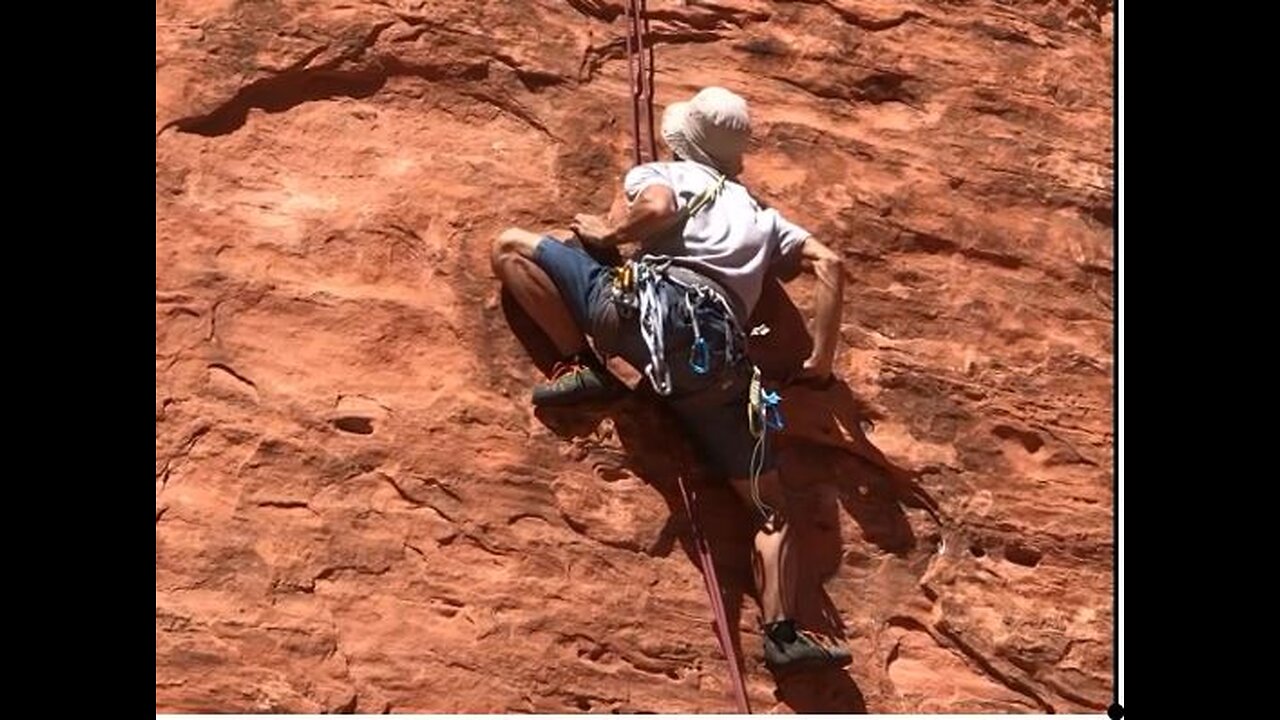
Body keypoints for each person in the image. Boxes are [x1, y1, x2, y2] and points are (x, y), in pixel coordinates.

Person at [490, 86, 850, 671]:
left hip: (644, 318)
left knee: (511, 246)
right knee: (770, 508)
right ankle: (783, 635)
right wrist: (821, 364)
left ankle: (581, 366)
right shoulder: (762, 216)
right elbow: (830, 264)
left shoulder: (665, 173)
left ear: (683, 142)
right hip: (720, 369)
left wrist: (607, 237)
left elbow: (654, 211)